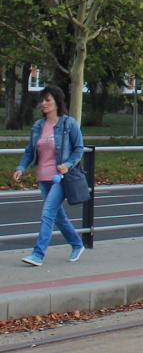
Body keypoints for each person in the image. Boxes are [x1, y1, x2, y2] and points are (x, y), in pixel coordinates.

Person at [12, 85, 85, 266]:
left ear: (57, 102)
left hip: (60, 178)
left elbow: (79, 148)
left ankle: (38, 254)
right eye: (42, 100)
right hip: (43, 177)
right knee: (58, 217)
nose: (43, 104)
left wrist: (67, 165)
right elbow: (30, 150)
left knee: (48, 213)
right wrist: (21, 167)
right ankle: (77, 244)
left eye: (47, 100)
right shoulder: (38, 126)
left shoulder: (69, 124)